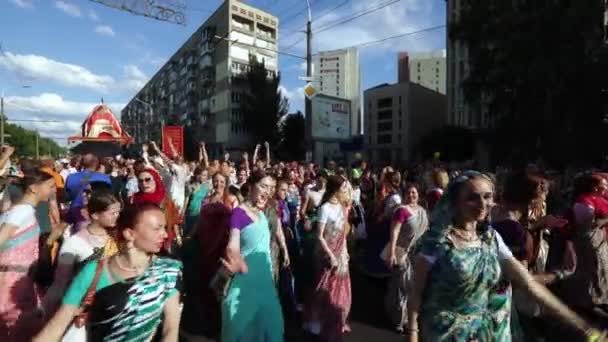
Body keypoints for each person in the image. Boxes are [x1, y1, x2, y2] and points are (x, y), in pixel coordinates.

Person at [407, 171, 603, 342]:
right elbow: (416, 292)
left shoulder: (491, 239)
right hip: (445, 334)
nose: (482, 204)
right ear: (455, 201)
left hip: (486, 333)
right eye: (472, 197)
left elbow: (528, 284)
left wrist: (579, 324)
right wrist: (413, 335)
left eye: (487, 196)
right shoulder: (437, 241)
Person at [34, 205, 183, 342]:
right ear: (130, 234)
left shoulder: (167, 271)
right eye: (157, 228)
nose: (164, 234)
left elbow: (170, 328)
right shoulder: (94, 271)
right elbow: (57, 325)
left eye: (164, 228)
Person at [221, 170, 284, 342]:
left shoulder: (263, 213)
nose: (268, 191)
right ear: (250, 186)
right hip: (246, 283)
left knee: (271, 330)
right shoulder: (239, 212)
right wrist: (236, 262)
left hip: (266, 283)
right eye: (263, 186)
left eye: (271, 188)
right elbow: (232, 244)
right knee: (243, 331)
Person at [41, 189, 120, 319]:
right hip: (83, 309)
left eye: (118, 212)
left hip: (114, 306)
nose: (117, 216)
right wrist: (44, 310)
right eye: (112, 213)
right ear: (95, 215)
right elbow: (60, 283)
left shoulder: (118, 238)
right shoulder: (74, 244)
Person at [0, 170, 56, 341]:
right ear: (33, 188)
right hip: (13, 280)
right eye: (50, 186)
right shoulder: (22, 211)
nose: (53, 190)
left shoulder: (16, 210)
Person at [305, 175, 352, 341]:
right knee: (323, 287)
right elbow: (319, 236)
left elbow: (343, 233)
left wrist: (344, 252)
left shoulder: (341, 207)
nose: (345, 192)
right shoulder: (324, 208)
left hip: (340, 252)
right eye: (343, 189)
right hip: (326, 253)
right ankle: (317, 321)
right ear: (336, 189)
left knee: (339, 287)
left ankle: (336, 319)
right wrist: (331, 256)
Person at [384, 183, 429, 332]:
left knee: (415, 288)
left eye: (414, 192)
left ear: (418, 194)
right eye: (408, 193)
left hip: (418, 254)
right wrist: (391, 253)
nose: (411, 195)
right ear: (404, 195)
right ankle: (399, 319)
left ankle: (412, 318)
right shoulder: (402, 211)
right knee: (402, 287)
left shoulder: (422, 211)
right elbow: (394, 232)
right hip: (402, 252)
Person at [130, 167, 182, 253]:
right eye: (140, 180)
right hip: (142, 244)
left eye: (147, 180)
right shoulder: (134, 199)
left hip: (162, 242)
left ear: (156, 180)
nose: (144, 183)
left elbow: (174, 220)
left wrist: (178, 237)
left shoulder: (165, 200)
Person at [64, 154, 111, 225]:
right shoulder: (104, 178)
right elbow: (107, 197)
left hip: (75, 211)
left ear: (82, 163)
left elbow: (67, 197)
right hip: (96, 213)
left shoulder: (71, 177)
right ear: (96, 164)